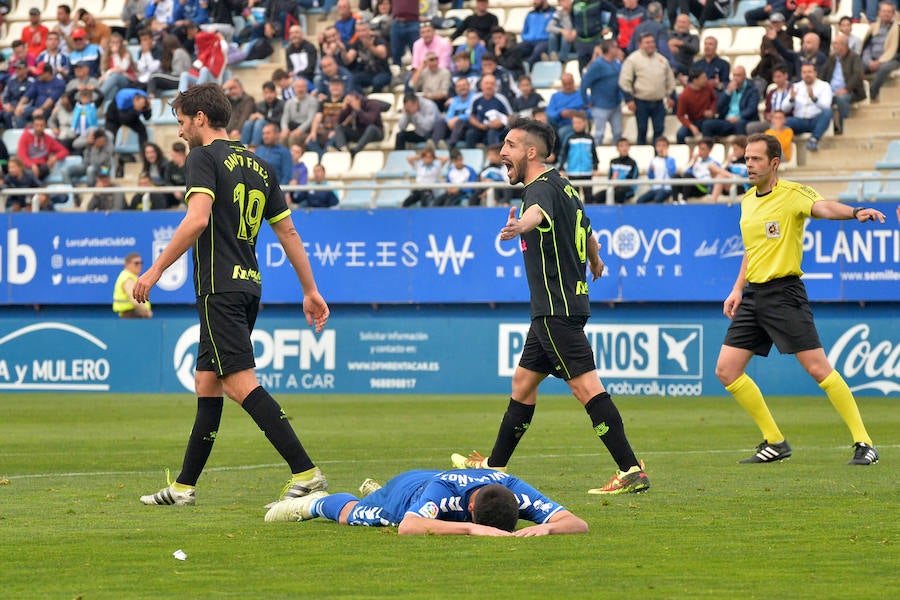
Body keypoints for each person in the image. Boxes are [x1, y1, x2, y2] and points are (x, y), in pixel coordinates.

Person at [134, 83, 331, 506]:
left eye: (183, 121)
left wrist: (154, 270)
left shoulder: (202, 157)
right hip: (248, 285)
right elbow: (289, 232)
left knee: (241, 385)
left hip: (218, 288)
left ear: (200, 119)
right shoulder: (261, 166)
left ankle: (308, 473)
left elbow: (197, 219)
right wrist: (310, 290)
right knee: (207, 382)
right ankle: (184, 488)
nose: (182, 130)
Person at [451, 119, 649, 495]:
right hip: (557, 306)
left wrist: (518, 228)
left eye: (509, 145)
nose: (501, 153)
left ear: (530, 152)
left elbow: (536, 215)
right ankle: (495, 466)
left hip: (556, 308)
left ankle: (630, 469)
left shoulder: (538, 190)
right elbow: (587, 230)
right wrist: (594, 261)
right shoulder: (566, 186)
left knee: (586, 388)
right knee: (523, 385)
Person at [715, 133, 885, 466]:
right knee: (726, 370)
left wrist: (855, 211)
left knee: (819, 369)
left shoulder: (792, 194)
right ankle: (775, 441)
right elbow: (751, 251)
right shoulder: (748, 200)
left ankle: (865, 443)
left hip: (784, 294)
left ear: (774, 163)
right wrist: (737, 288)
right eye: (746, 159)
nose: (748, 164)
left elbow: (823, 207)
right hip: (753, 296)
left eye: (756, 159)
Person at [263, 468, 589, 536]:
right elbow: (409, 526)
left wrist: (546, 530)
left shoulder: (515, 488)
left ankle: (373, 488)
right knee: (356, 516)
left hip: (429, 486)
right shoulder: (444, 492)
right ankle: (315, 502)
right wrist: (473, 532)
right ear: (470, 510)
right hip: (412, 491)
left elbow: (578, 524)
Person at [619, 32, 675, 146]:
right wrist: (629, 99)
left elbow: (670, 80)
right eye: (647, 42)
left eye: (652, 42)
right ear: (640, 44)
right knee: (642, 129)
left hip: (659, 102)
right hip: (640, 102)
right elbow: (624, 81)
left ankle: (657, 157)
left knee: (659, 130)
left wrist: (670, 96)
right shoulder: (632, 60)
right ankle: (642, 155)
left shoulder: (662, 60)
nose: (650, 45)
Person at [820, 33, 866, 136]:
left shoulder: (854, 57)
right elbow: (822, 74)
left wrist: (846, 89)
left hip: (851, 91)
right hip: (831, 92)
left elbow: (857, 75)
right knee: (819, 100)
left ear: (844, 45)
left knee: (842, 98)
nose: (833, 46)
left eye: (836, 43)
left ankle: (844, 128)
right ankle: (829, 128)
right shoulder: (831, 58)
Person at [783, 62, 833, 152]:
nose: (807, 75)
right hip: (799, 121)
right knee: (782, 121)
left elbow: (826, 106)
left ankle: (813, 140)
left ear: (815, 73)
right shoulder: (796, 86)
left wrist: (814, 98)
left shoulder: (824, 86)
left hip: (815, 121)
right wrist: (791, 99)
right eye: (804, 72)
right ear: (801, 74)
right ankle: (782, 149)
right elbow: (783, 108)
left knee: (828, 112)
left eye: (809, 72)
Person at [581, 40, 622, 147]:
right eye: (615, 47)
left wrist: (621, 97)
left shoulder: (617, 63)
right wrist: (586, 101)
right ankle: (595, 158)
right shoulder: (597, 65)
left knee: (618, 133)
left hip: (615, 105)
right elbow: (584, 83)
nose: (617, 49)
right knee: (599, 134)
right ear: (608, 49)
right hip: (600, 106)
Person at [860, 2, 899, 104]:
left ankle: (872, 94)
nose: (886, 14)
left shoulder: (897, 29)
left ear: (893, 14)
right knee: (857, 66)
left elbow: (895, 51)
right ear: (879, 13)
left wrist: (880, 62)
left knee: (884, 68)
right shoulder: (873, 27)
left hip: (891, 59)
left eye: (889, 12)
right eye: (884, 11)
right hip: (871, 59)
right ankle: (857, 94)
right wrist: (868, 61)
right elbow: (867, 47)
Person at [637, 136, 677, 204]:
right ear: (656, 147)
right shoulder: (653, 160)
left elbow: (672, 173)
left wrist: (666, 158)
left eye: (663, 146)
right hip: (655, 188)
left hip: (666, 189)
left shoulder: (671, 160)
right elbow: (651, 177)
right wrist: (651, 171)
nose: (661, 148)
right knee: (640, 201)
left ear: (667, 147)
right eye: (659, 146)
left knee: (657, 199)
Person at [113, 253, 153, 318]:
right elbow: (134, 300)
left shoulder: (132, 277)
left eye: (141, 263)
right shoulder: (127, 278)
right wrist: (147, 313)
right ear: (127, 264)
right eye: (136, 263)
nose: (139, 265)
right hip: (132, 315)